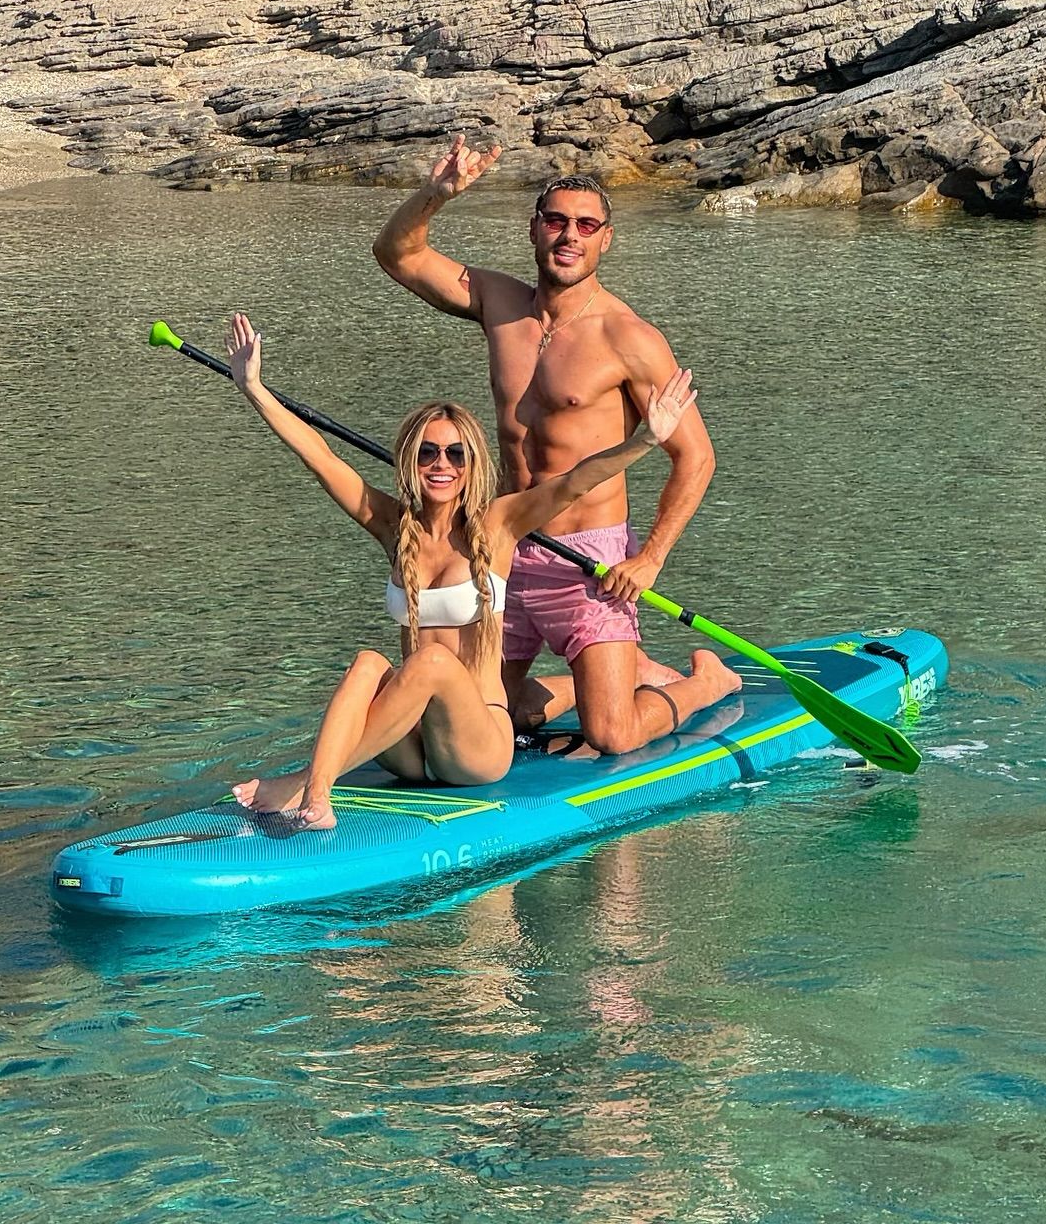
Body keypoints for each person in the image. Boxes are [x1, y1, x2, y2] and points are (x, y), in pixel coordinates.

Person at [220, 311, 709, 830]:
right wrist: (254, 389)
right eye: (428, 452)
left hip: (477, 748)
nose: (442, 465)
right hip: (411, 749)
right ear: (410, 460)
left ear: (472, 464)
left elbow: (575, 483)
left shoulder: (498, 525)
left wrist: (644, 441)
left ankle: (309, 787)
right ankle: (315, 789)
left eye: (456, 454)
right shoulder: (394, 527)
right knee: (367, 663)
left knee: (431, 662)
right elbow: (321, 458)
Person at [372, 136, 741, 754]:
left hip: (588, 559)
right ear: (535, 228)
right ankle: (619, 675)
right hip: (503, 546)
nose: (570, 235)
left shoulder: (629, 338)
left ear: (605, 239)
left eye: (586, 225)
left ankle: (706, 681)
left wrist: (649, 559)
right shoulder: (499, 303)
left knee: (613, 734)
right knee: (483, 713)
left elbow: (695, 456)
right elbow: (396, 253)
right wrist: (436, 194)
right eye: (556, 221)